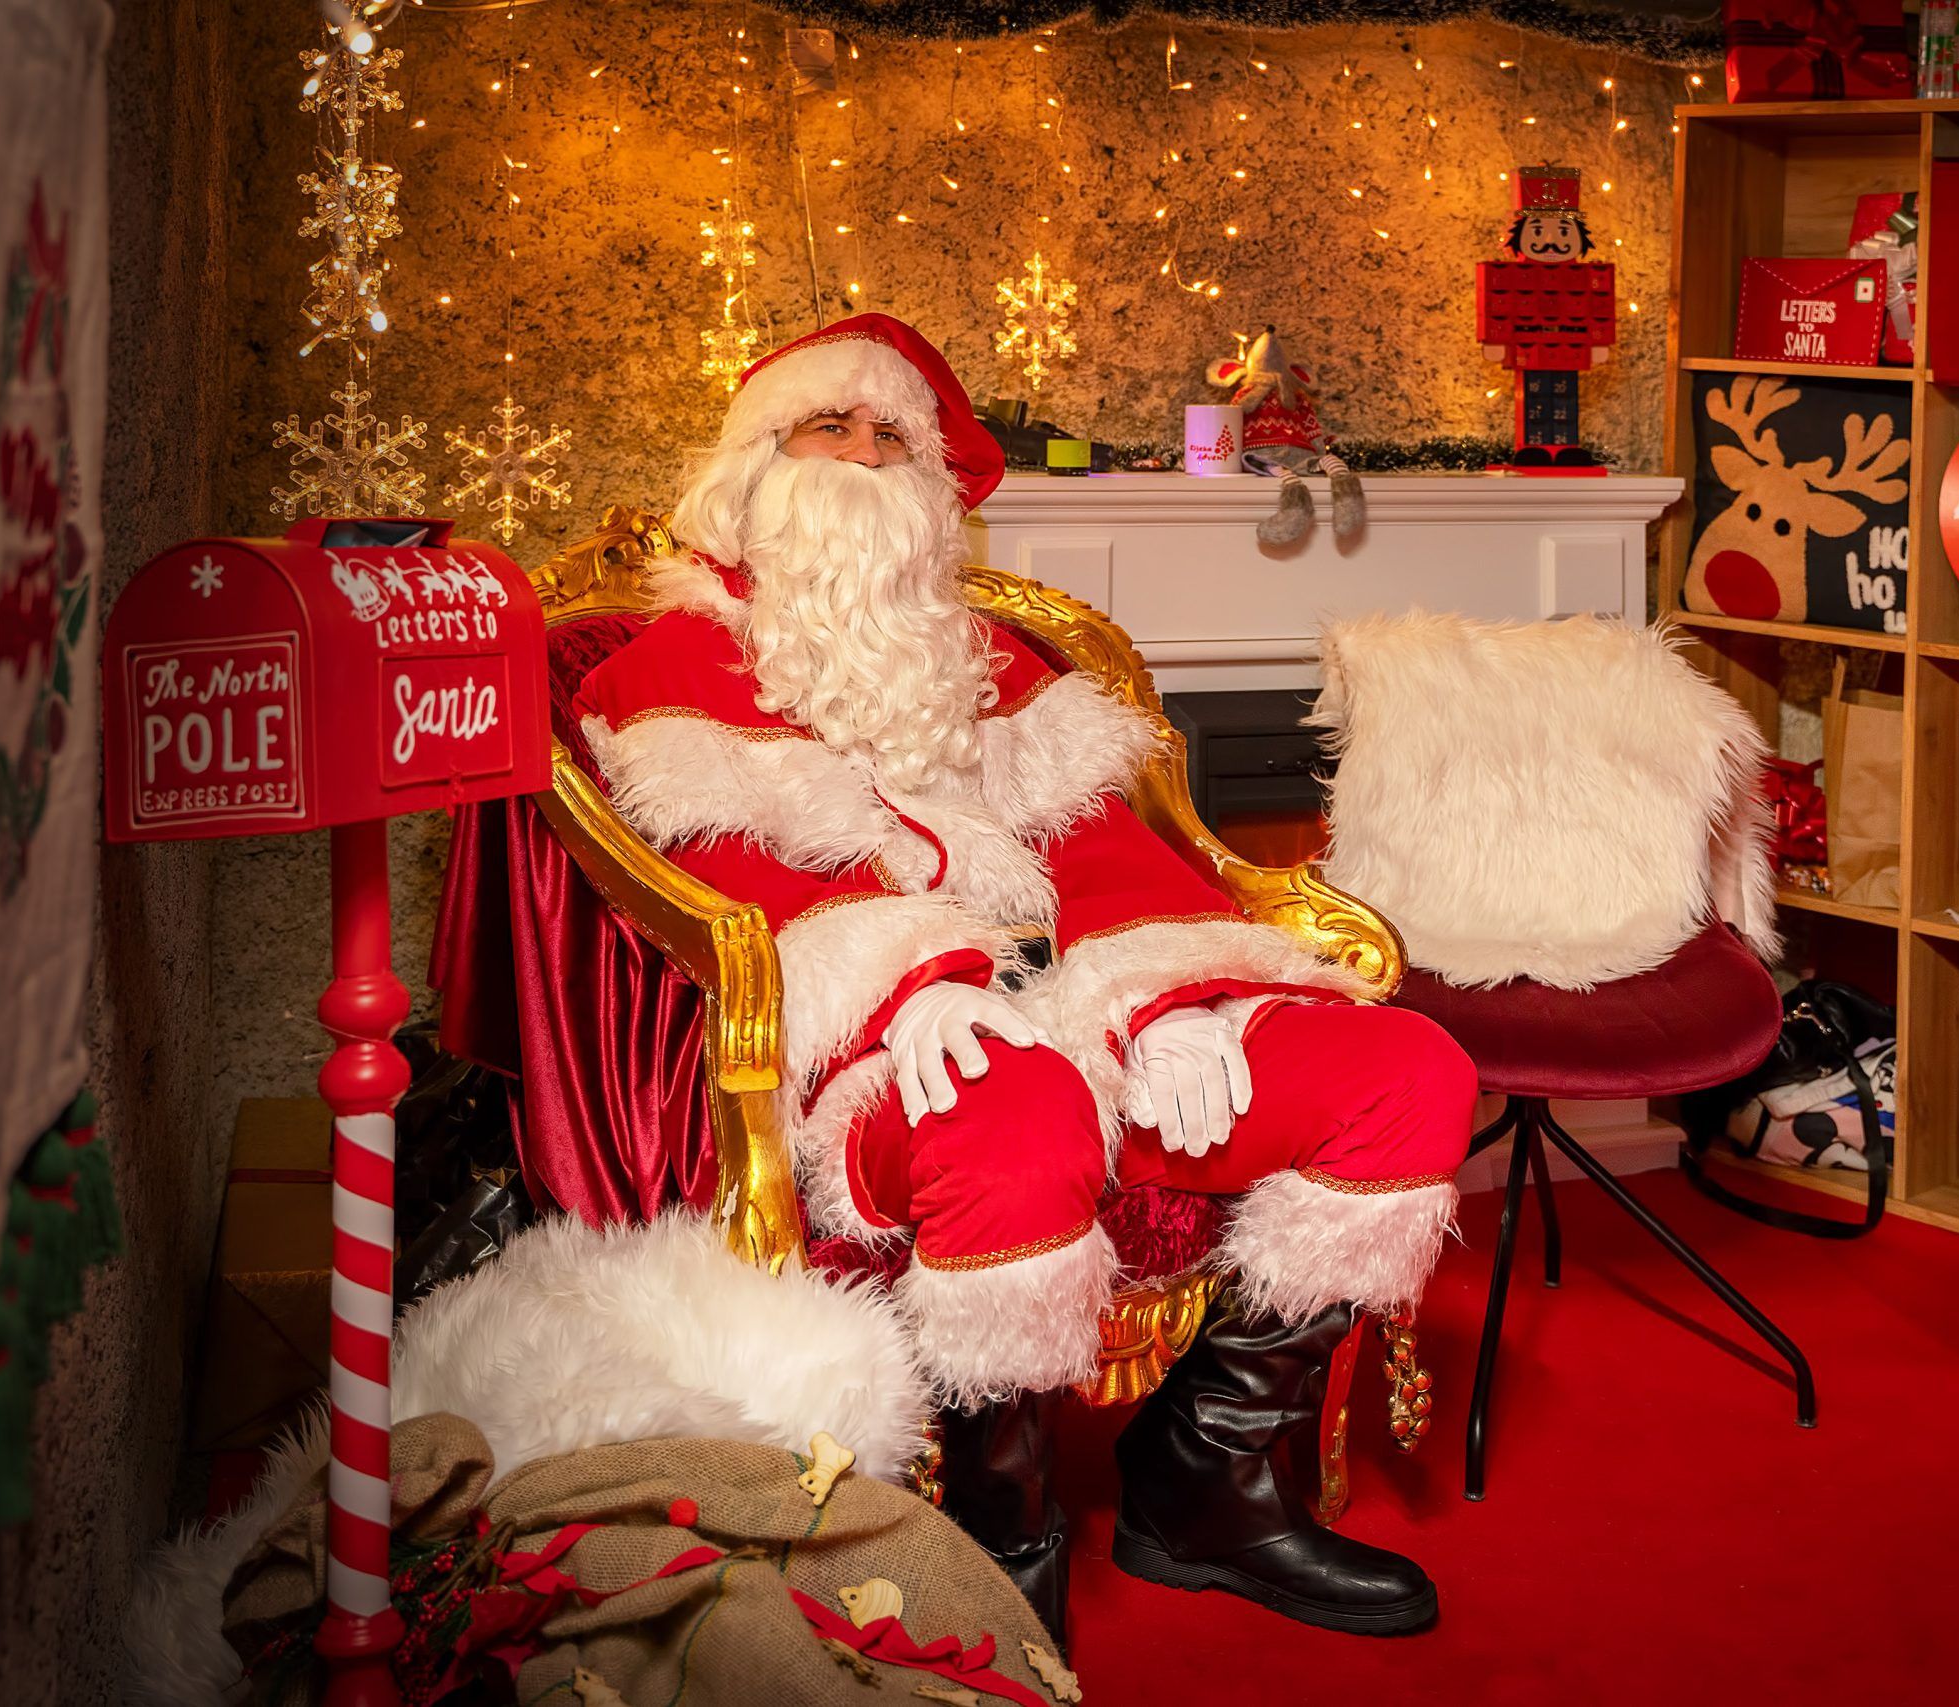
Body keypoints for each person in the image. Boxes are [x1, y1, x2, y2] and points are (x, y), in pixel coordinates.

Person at [569, 314, 1475, 1641]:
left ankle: (1204, 1484)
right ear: (751, 468)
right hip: (871, 1058)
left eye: (894, 437)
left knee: (1406, 1073)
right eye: (830, 428)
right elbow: (723, 885)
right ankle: (1002, 1531)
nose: (865, 456)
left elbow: (1108, 852)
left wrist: (1173, 1000)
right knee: (1016, 1108)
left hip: (1084, 1007)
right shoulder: (665, 669)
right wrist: (918, 983)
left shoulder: (994, 663)